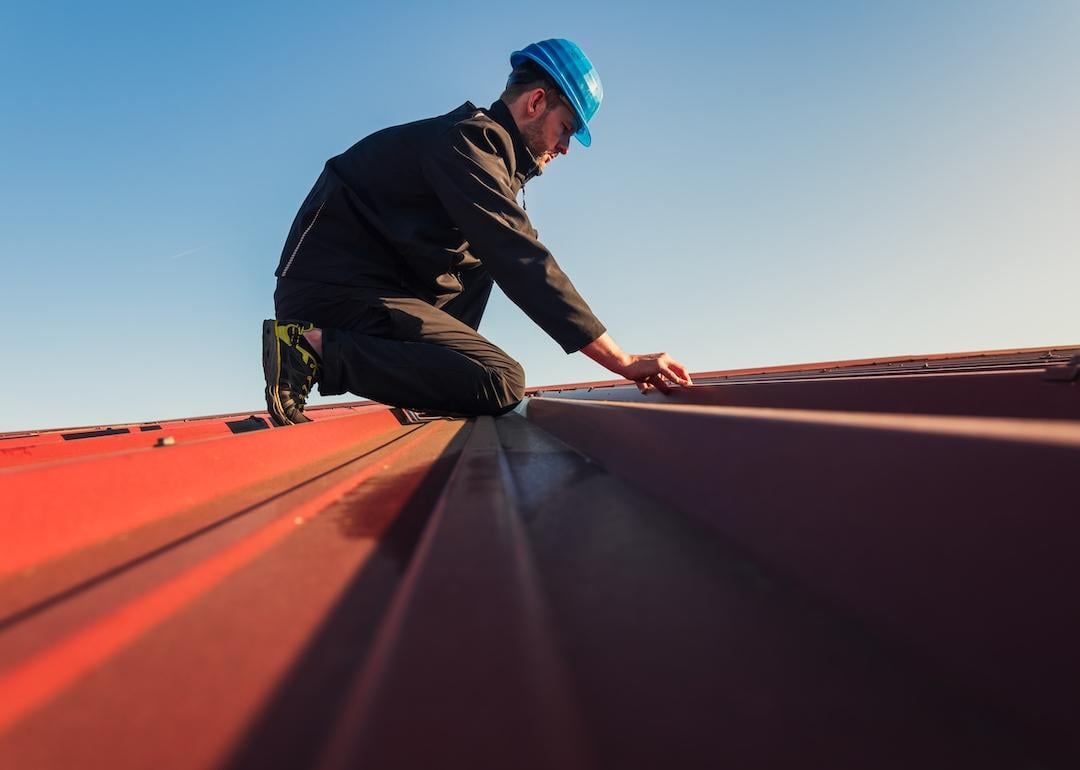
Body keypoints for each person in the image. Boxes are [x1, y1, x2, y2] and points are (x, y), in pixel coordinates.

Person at [262, 38, 692, 426]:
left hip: (370, 286)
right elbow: (525, 263)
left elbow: (514, 251)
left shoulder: (487, 163)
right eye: (567, 129)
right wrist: (622, 360)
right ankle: (312, 349)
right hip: (332, 291)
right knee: (502, 380)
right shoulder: (467, 143)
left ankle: (431, 383)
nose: (565, 148)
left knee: (483, 259)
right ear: (536, 101)